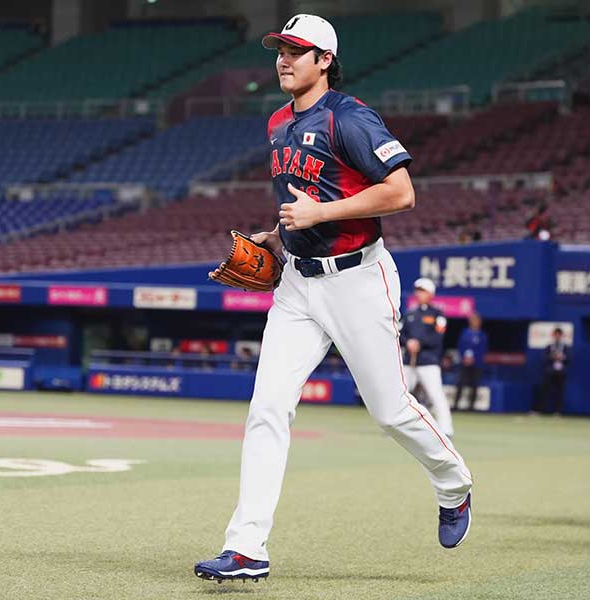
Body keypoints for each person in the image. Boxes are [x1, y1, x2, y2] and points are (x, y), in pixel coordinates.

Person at [194, 14, 473, 583]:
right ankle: (247, 549)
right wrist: (280, 235)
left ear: (325, 60)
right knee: (267, 407)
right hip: (297, 283)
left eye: (298, 51)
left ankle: (454, 484)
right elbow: (300, 199)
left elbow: (401, 192)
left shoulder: (350, 117)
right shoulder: (277, 122)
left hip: (358, 279)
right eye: (280, 49)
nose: (284, 59)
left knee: (391, 411)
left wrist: (320, 214)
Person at [400, 277, 454, 436]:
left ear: (431, 294)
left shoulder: (437, 315)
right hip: (409, 361)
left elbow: (437, 338)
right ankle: (399, 426)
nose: (419, 294)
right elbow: (400, 334)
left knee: (436, 395)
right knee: (401, 395)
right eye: (418, 290)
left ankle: (446, 429)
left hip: (428, 361)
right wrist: (408, 342)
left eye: (423, 291)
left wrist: (419, 343)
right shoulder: (410, 314)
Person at [455, 312, 487, 411]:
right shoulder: (465, 333)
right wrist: (464, 358)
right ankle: (456, 405)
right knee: (460, 383)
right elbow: (460, 346)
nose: (474, 322)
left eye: (476, 320)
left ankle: (471, 406)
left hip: (476, 363)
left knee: (475, 384)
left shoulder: (482, 335)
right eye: (473, 320)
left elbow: (483, 349)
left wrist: (474, 359)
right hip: (464, 362)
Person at [534, 327, 569, 414]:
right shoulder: (549, 346)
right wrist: (552, 357)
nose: (557, 336)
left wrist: (563, 358)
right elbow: (544, 358)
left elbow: (569, 359)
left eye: (559, 334)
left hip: (561, 373)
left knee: (559, 392)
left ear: (561, 336)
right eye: (555, 334)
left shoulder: (565, 347)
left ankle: (557, 411)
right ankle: (541, 410)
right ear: (553, 335)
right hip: (549, 372)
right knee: (545, 391)